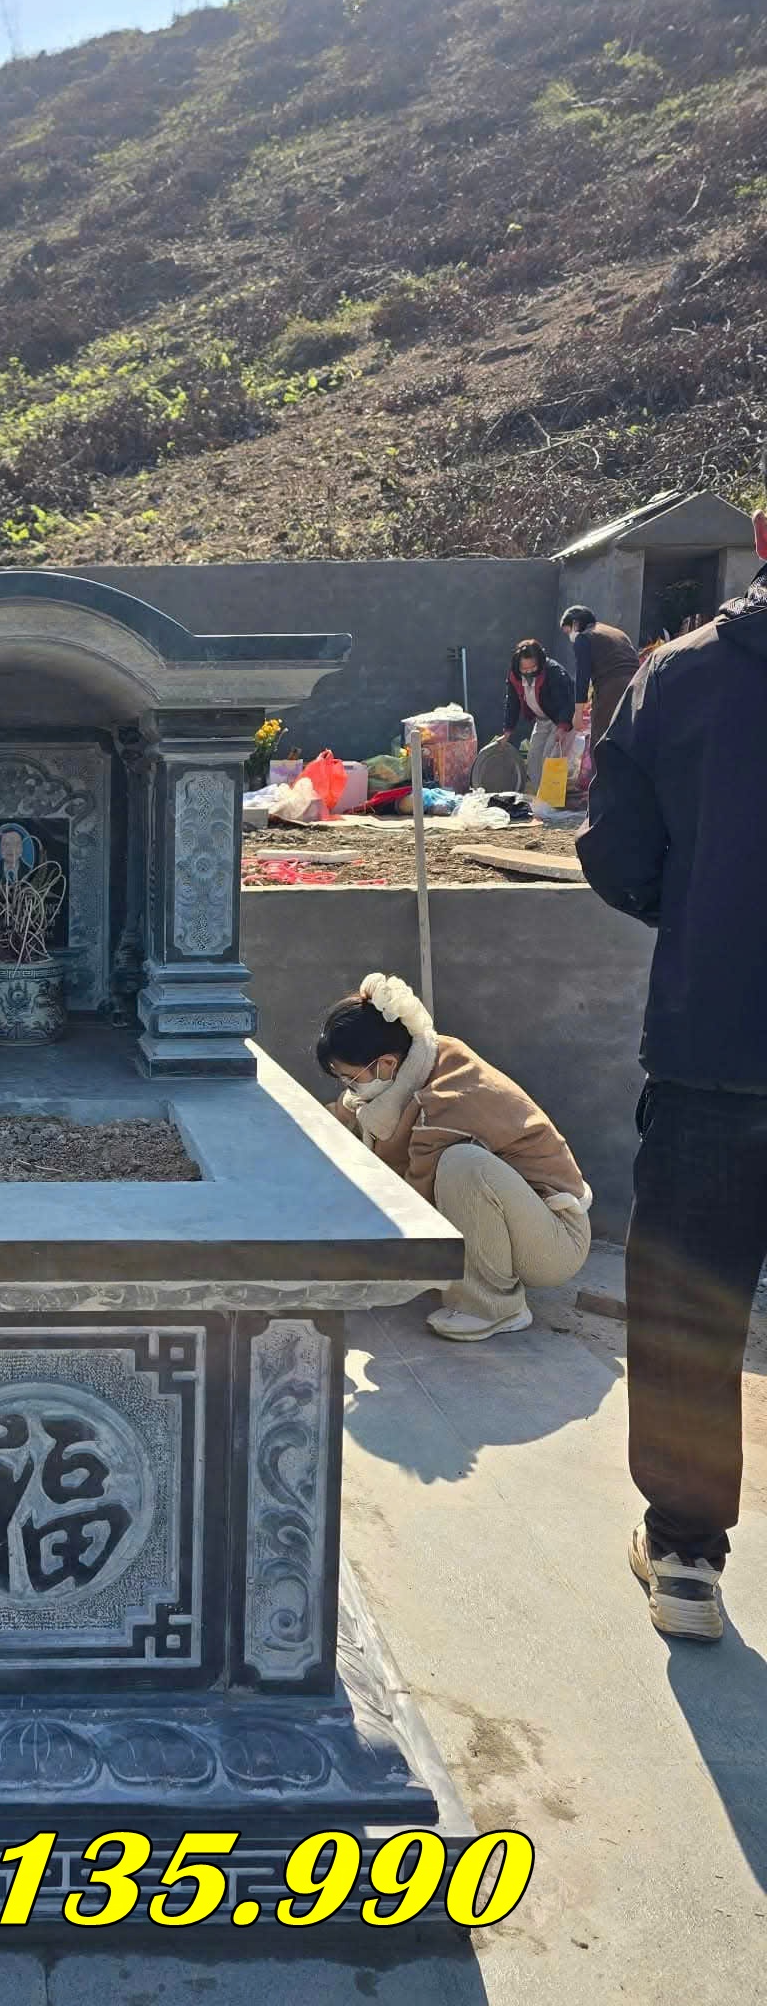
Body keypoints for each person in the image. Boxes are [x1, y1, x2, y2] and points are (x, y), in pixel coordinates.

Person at [576, 506, 767, 1642]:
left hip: (717, 1050)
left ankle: (688, 1557)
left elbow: (617, 854)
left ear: (761, 530)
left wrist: (701, 913)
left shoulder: (680, 679)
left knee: (693, 1308)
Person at [318, 972, 592, 1343]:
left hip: (555, 1242)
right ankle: (477, 1279)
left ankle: (494, 1307)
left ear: (386, 1063)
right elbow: (346, 1116)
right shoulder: (416, 1062)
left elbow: (415, 1203)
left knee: (462, 1165)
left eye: (351, 1078)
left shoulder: (445, 1099)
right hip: (518, 1223)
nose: (349, 1088)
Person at [491, 638, 575, 794]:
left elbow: (567, 700)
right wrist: (507, 732)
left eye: (533, 667)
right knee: (534, 760)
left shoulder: (554, 672)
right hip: (541, 720)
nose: (529, 672)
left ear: (540, 662)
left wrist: (563, 727)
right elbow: (512, 703)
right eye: (525, 669)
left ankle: (551, 800)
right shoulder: (514, 676)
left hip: (560, 720)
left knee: (550, 759)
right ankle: (539, 796)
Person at [561, 603, 640, 756]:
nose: (570, 637)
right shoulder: (618, 633)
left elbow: (582, 676)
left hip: (611, 687)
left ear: (575, 624)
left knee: (600, 739)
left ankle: (599, 771)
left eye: (568, 631)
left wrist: (578, 713)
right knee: (625, 737)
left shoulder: (584, 638)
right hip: (636, 686)